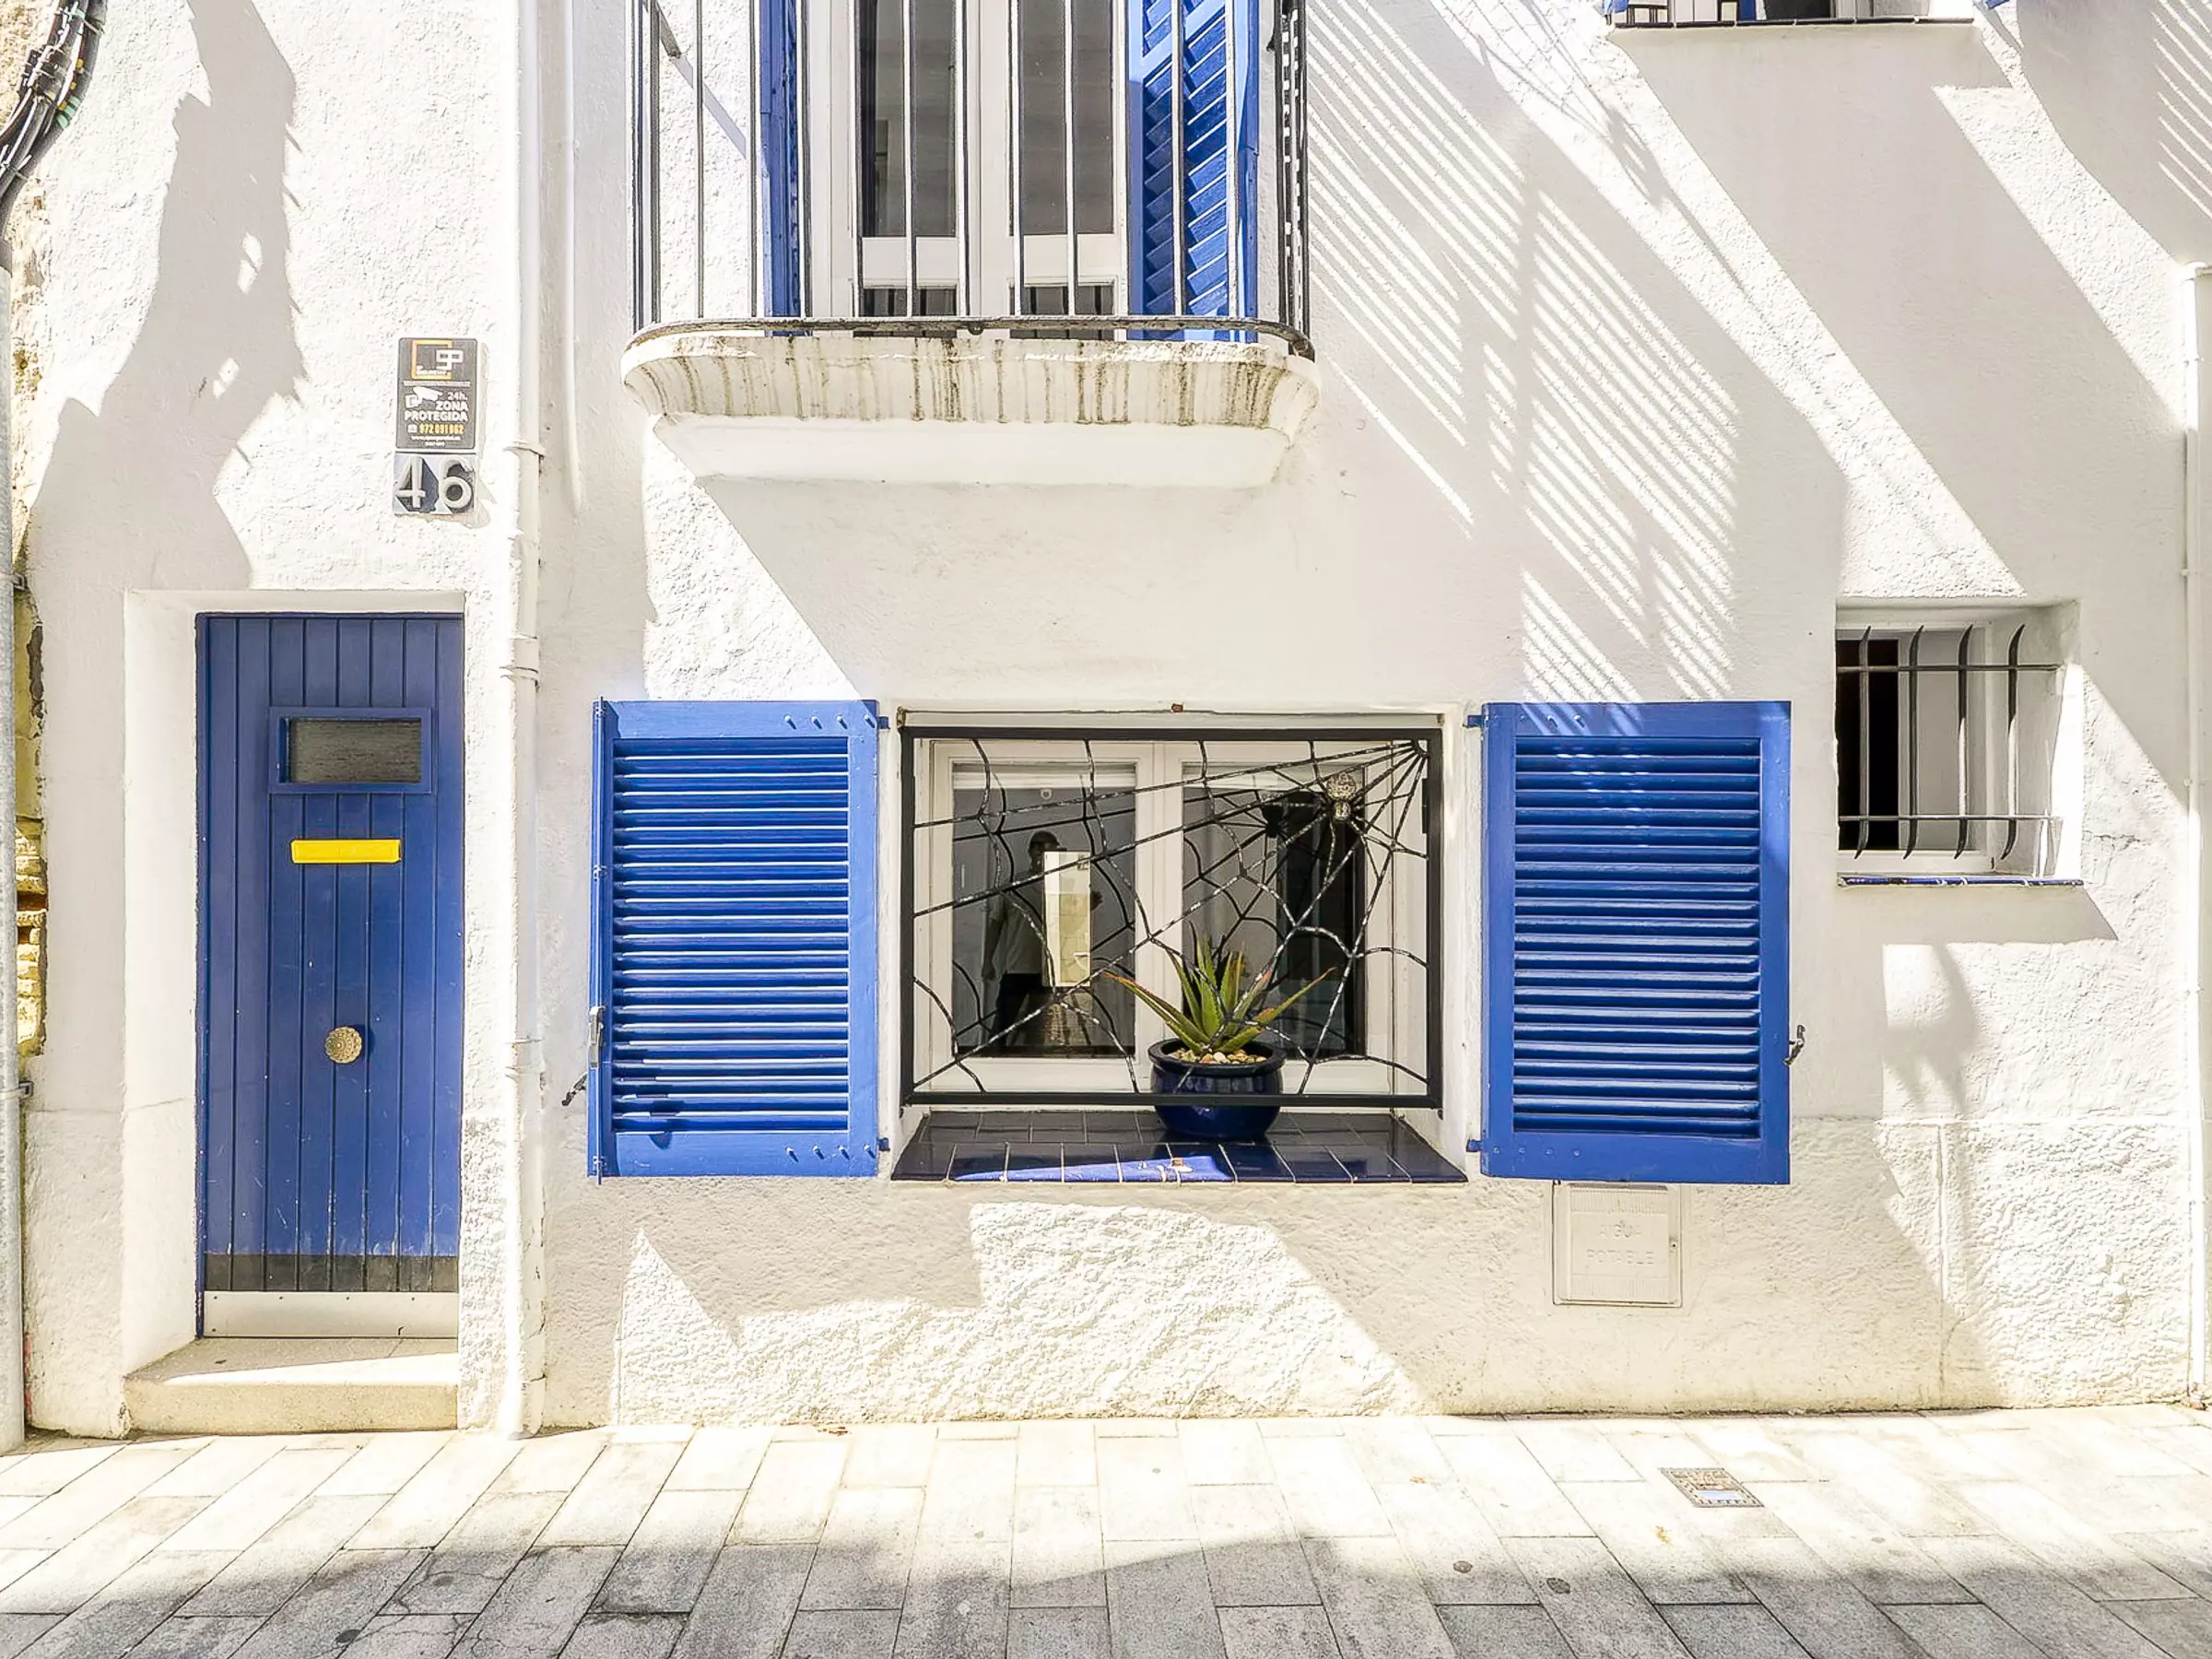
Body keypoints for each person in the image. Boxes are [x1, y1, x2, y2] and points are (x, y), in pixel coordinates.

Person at [982, 831, 1058, 1051]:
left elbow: (1071, 922)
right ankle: (993, 1061)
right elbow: (995, 923)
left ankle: (1032, 1066)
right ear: (1030, 851)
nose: (1043, 853)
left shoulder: (1062, 884)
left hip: (1049, 970)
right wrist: (987, 960)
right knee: (1003, 1024)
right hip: (1017, 967)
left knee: (1039, 1028)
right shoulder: (1013, 885)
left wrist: (1086, 906)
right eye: (1039, 847)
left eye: (1050, 848)